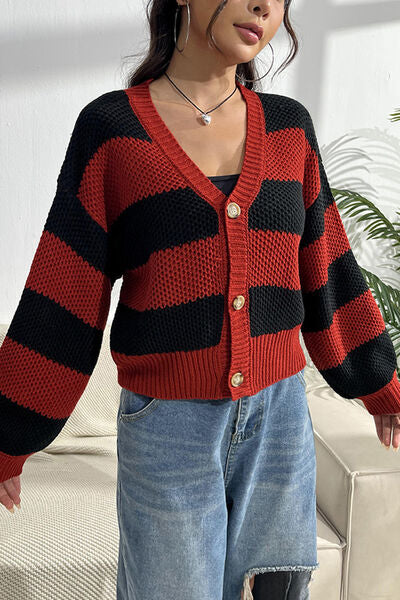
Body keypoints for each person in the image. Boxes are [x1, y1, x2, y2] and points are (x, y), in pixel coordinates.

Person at [1, 1, 400, 599]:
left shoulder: (289, 129)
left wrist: (377, 382)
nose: (265, 7)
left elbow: (327, 267)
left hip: (280, 423)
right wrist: (10, 433)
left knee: (279, 588)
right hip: (169, 428)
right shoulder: (113, 130)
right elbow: (66, 287)